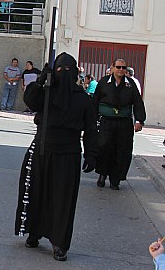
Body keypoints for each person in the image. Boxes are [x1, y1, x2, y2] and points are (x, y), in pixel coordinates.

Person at [15, 52, 98, 262]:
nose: (63, 74)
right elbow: (29, 99)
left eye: (66, 71)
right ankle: (34, 232)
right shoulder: (46, 94)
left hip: (68, 154)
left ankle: (59, 243)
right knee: (36, 192)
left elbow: (90, 129)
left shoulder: (83, 100)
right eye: (59, 70)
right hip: (41, 149)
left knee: (62, 200)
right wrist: (42, 79)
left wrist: (91, 153)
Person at [94, 58, 146, 190]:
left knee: (122, 150)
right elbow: (95, 102)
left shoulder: (131, 84)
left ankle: (115, 179)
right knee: (104, 147)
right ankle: (102, 174)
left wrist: (139, 120)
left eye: (124, 68)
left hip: (124, 123)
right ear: (112, 68)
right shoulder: (104, 82)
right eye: (118, 67)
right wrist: (91, 121)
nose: (121, 70)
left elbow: (138, 103)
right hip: (107, 122)